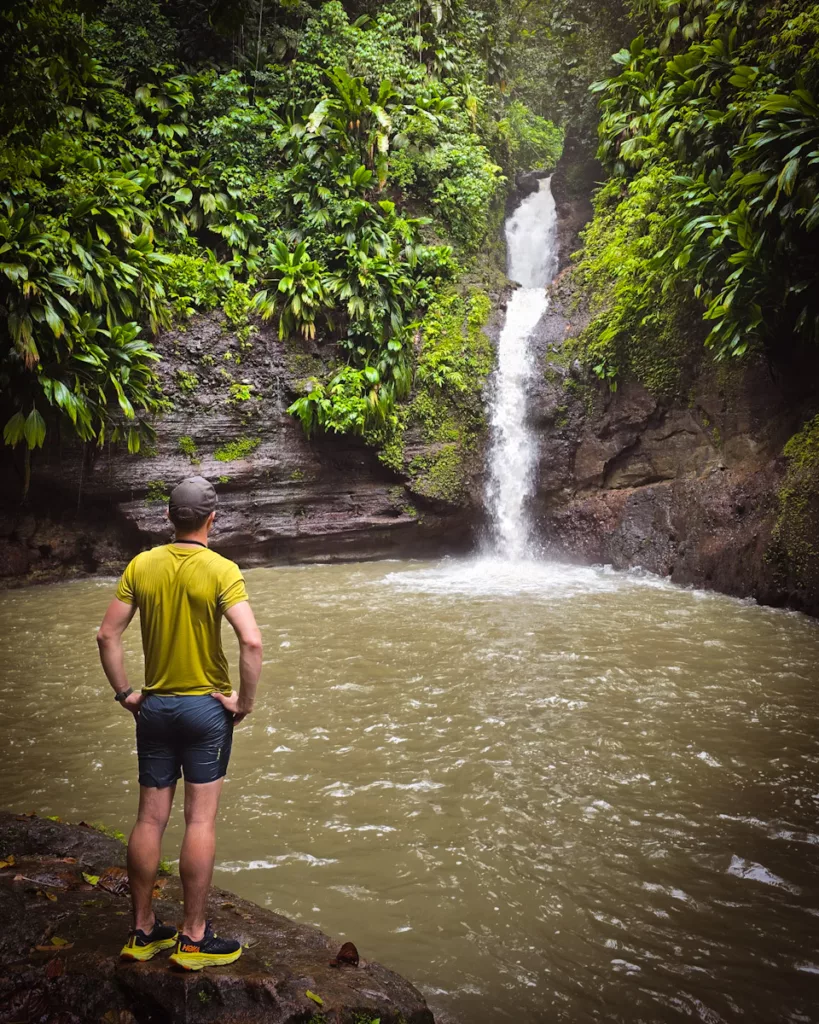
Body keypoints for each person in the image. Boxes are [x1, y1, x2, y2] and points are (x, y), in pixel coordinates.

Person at [96, 475, 263, 971]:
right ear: (213, 519)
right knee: (200, 820)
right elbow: (251, 643)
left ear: (168, 518)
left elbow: (107, 635)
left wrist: (127, 693)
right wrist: (244, 703)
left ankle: (142, 930)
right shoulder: (221, 569)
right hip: (206, 710)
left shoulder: (142, 565)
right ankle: (192, 937)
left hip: (156, 708)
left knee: (149, 818)